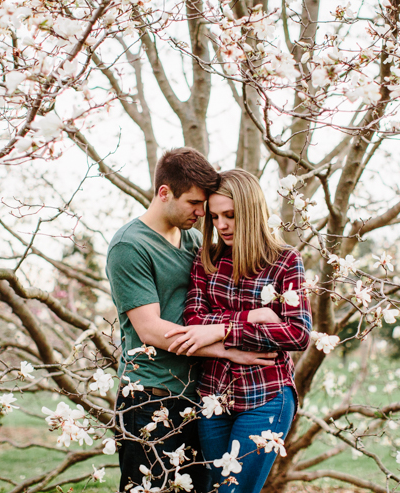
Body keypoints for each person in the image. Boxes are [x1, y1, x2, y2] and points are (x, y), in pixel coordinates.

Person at [106, 149, 279, 493]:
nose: (202, 214)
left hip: (197, 399)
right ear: (164, 192)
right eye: (194, 203)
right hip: (149, 398)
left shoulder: (195, 242)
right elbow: (150, 329)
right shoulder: (130, 246)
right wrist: (229, 350)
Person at [165, 169, 312, 493]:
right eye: (215, 216)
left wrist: (224, 328)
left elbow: (297, 333)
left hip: (266, 396)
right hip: (213, 398)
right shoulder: (207, 259)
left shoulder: (285, 261)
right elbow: (193, 321)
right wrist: (256, 317)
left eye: (230, 215)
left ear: (250, 210)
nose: (221, 225)